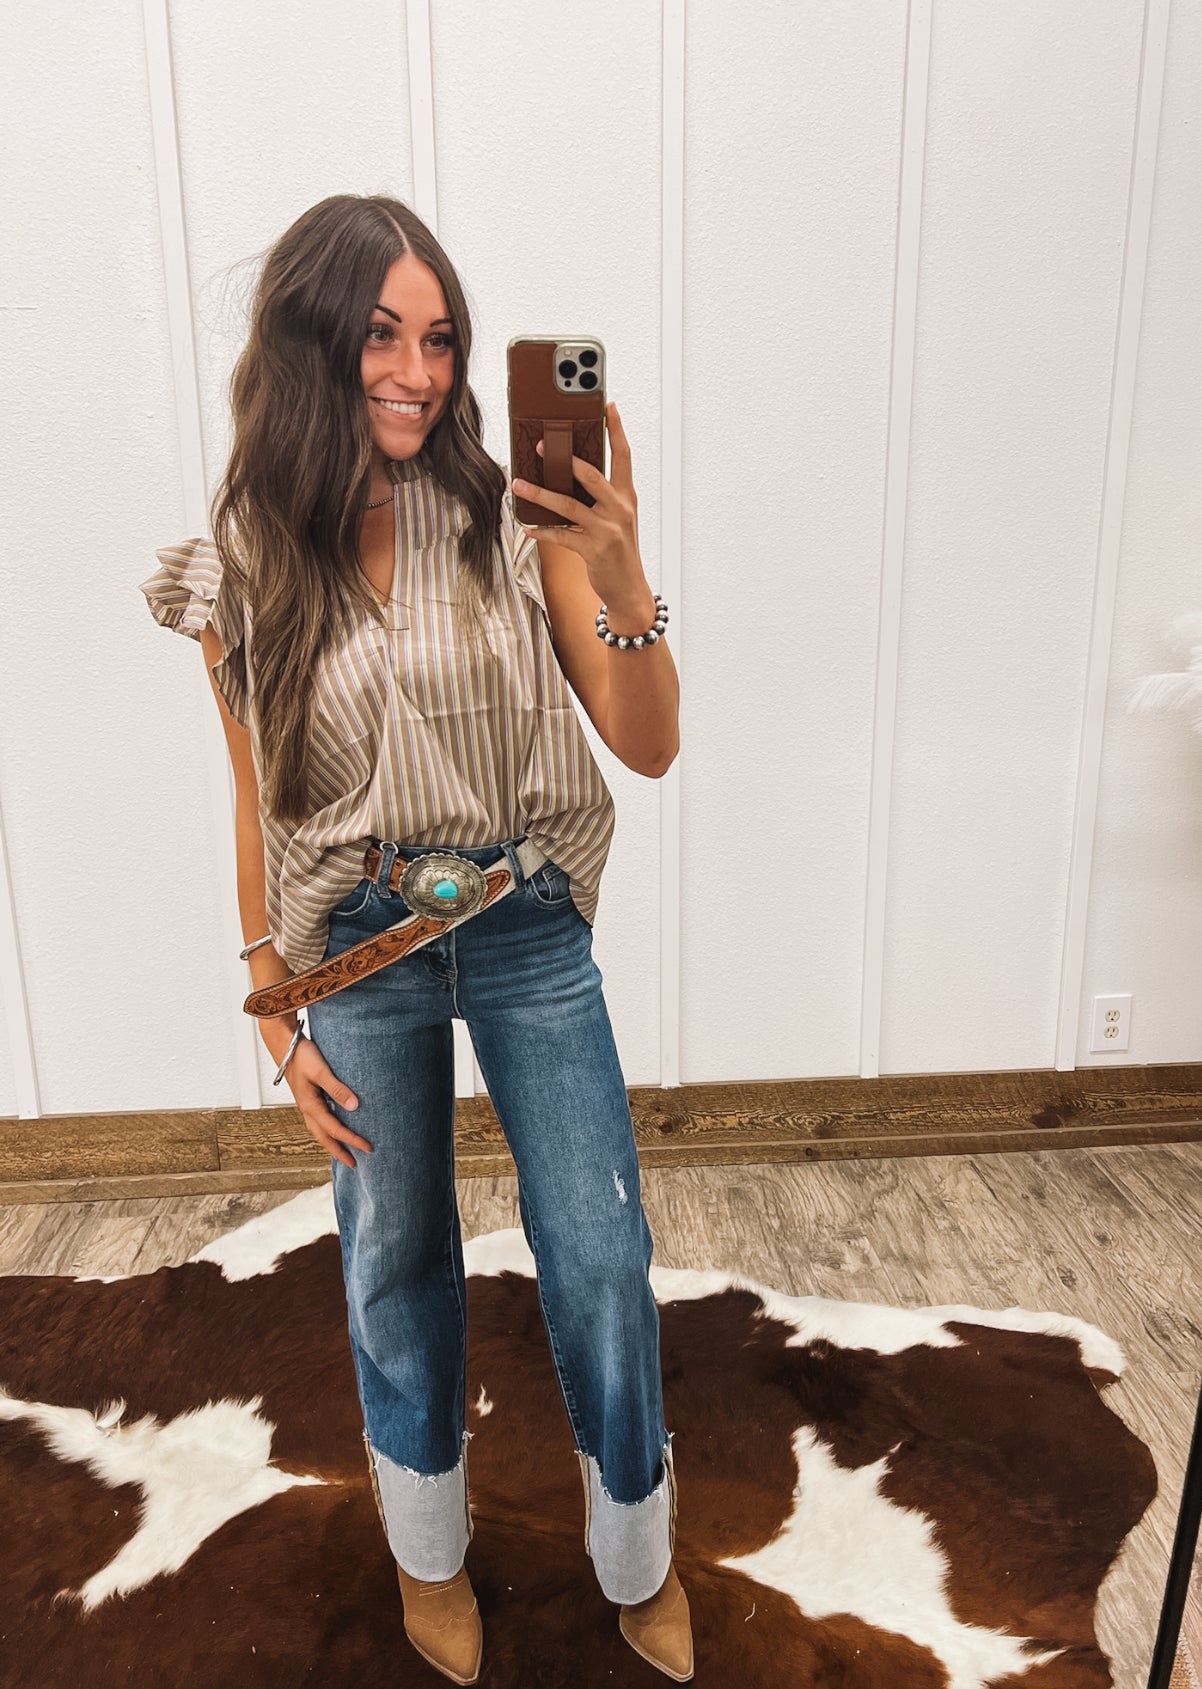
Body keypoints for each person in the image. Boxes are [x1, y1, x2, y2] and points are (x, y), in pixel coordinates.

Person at [139, 194, 691, 1684]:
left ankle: (636, 1549)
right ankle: (428, 1548)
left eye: (440, 339)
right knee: (395, 1254)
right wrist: (272, 999)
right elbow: (256, 787)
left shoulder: (520, 523)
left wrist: (624, 576)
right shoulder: (248, 561)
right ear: (313, 341)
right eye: (383, 335)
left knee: (599, 1249)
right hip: (358, 941)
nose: (418, 371)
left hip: (523, 921)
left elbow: (648, 747)